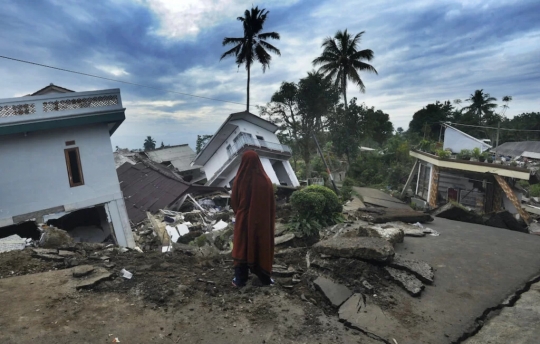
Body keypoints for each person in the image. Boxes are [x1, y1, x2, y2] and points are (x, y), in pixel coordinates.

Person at [231, 150, 275, 287]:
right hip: (261, 222)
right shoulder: (266, 181)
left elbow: (234, 202)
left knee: (241, 247)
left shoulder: (239, 179)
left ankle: (240, 280)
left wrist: (242, 212)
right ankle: (265, 279)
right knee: (261, 246)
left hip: (243, 221)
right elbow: (271, 205)